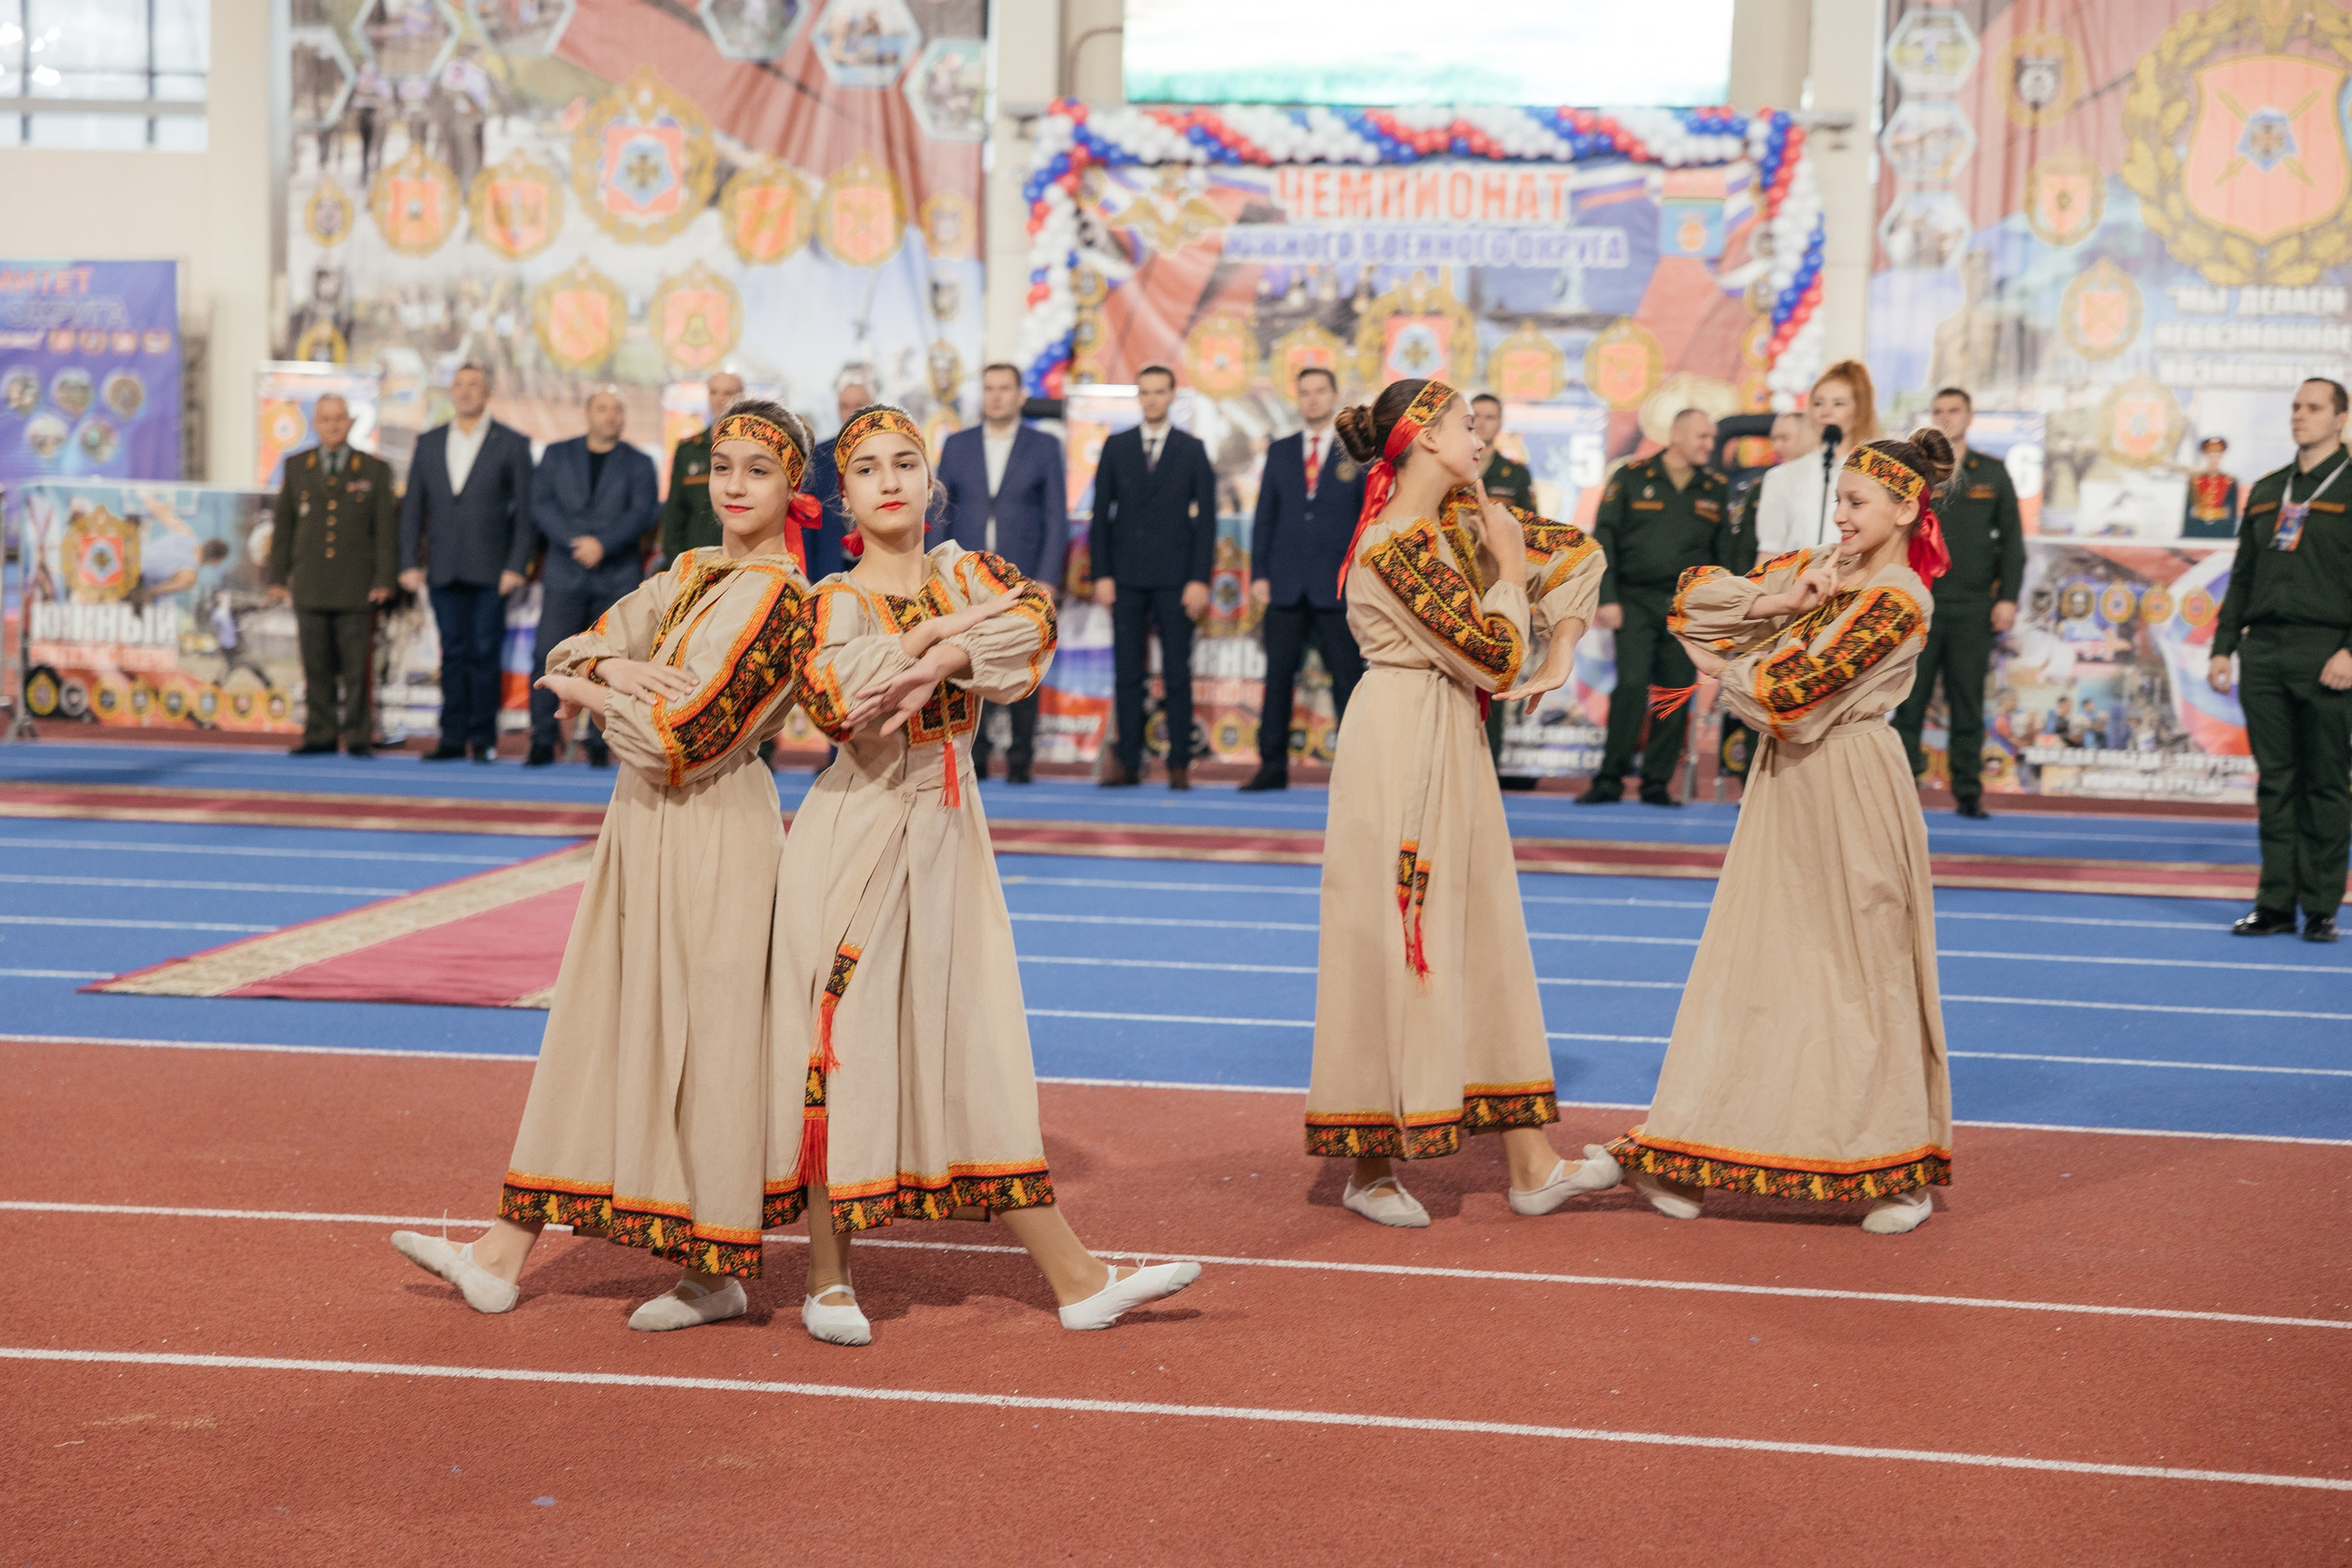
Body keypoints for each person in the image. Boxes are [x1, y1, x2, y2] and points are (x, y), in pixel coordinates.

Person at [389, 400, 818, 1327]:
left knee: (709, 1044)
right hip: (645, 825)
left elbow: (686, 738)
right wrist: (609, 672)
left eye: (758, 469)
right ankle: (503, 1254)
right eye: (724, 465)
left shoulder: (787, 597)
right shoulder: (693, 568)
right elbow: (584, 635)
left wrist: (586, 686)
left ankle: (714, 1269)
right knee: (602, 1025)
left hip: (714, 831)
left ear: (793, 489)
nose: (735, 483)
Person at [777, 404, 1200, 1342]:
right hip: (857, 830)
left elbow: (1034, 624)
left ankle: (1075, 1278)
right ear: (842, 497)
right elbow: (844, 704)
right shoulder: (831, 598)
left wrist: (954, 645)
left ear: (932, 483)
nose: (890, 480)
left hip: (949, 829)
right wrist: (943, 641)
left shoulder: (966, 568)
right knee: (839, 1044)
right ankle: (825, 1277)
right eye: (868, 469)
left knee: (977, 1051)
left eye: (907, 463)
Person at [1596, 428, 1956, 1235]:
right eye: (1840, 500)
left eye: (1858, 503)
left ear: (1906, 508)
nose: (1842, 516)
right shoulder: (1819, 570)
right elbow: (1695, 602)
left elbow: (1795, 697)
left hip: (1852, 783)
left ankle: (1896, 1170)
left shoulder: (1900, 597)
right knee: (1755, 966)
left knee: (1862, 972)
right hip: (1784, 787)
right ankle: (1703, 1144)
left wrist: (1732, 670)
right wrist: (1776, 603)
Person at [1305, 378, 1616, 1226]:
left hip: (1451, 735)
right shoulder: (1393, 545)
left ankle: (1531, 1161)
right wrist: (1511, 570)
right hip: (1401, 741)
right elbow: (1489, 656)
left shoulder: (1455, 525)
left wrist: (1563, 645)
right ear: (1423, 441)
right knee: (1396, 939)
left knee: (1482, 934)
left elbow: (1579, 553)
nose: (1478, 436)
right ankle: (1367, 1164)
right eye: (1461, 425)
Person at [2211, 378, 2352, 944]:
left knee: (2326, 783)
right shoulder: (2270, 489)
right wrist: (2223, 646)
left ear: (2341, 419)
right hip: (2263, 651)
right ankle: (2274, 903)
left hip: (2327, 651)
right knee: (2276, 783)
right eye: (2296, 406)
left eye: (2314, 408)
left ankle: (2320, 906)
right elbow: (2242, 575)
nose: (2301, 416)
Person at [1578, 408, 1731, 807]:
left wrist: (1718, 612)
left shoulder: (1715, 487)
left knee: (1675, 691)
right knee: (1630, 686)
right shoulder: (1631, 476)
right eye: (1702, 436)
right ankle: (1610, 779)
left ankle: (1655, 783)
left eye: (1711, 438)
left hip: (1687, 606)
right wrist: (1606, 597)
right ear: (1676, 435)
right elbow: (1604, 538)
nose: (1708, 445)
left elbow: (1722, 554)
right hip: (1634, 599)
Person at [1893, 386, 2024, 818]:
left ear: (1969, 417)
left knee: (1968, 703)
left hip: (1972, 610)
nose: (1946, 418)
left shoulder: (1992, 472)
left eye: (1954, 411)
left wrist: (2006, 599)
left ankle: (1968, 791)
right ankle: (1899, 788)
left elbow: (2013, 544)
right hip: (1919, 605)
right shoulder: (1912, 476)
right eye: (1938, 411)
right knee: (1908, 701)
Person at [935, 361, 1069, 783]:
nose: (995, 395)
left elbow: (1056, 518)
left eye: (1004, 388)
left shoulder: (1045, 446)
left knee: (1023, 662)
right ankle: (974, 755)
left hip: (1023, 576)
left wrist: (1048, 575)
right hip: (963, 575)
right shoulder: (957, 445)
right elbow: (940, 512)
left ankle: (1021, 760)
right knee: (964, 665)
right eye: (989, 387)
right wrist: (933, 570)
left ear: (1020, 396)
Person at [398, 363, 536, 763]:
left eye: (474, 384)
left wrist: (516, 565)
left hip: (493, 570)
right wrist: (408, 562)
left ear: (487, 392)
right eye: (459, 385)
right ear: (451, 392)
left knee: (484, 654)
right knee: (453, 654)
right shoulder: (429, 441)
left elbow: (525, 515)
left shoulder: (511, 442)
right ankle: (452, 738)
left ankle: (483, 739)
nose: (466, 391)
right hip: (442, 568)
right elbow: (412, 510)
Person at [1090, 364, 1216, 788]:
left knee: (1177, 673)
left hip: (1177, 578)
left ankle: (1179, 762)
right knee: (1128, 673)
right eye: (1145, 392)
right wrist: (1102, 574)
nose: (1152, 399)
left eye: (1160, 391)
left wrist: (1200, 579)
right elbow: (1100, 518)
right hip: (1124, 577)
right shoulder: (1117, 446)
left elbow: (1208, 521)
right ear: (1138, 397)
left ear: (1173, 396)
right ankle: (1128, 761)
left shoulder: (1192, 449)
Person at [1242, 366, 1368, 792]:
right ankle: (1271, 765)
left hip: (1338, 585)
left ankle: (1356, 771)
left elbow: (1367, 520)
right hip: (1286, 583)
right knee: (1278, 680)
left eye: (1320, 391)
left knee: (1348, 681)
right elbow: (1264, 517)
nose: (1312, 399)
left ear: (1334, 395)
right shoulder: (1279, 451)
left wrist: (1361, 577)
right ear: (1297, 399)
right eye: (1305, 392)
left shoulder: (1355, 452)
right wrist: (1259, 573)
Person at [527, 389, 658, 767]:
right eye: (602, 409)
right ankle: (542, 737)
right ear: (588, 414)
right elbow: (541, 505)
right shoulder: (556, 454)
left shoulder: (639, 462)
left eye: (617, 410)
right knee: (547, 654)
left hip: (616, 577)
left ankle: (604, 740)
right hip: (565, 573)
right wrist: (576, 543)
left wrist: (603, 544)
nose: (610, 416)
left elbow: (642, 512)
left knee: (613, 662)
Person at [266, 394, 397, 757]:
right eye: (326, 419)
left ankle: (357, 736)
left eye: (339, 418)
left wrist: (385, 579)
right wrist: (277, 578)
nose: (333, 424)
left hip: (357, 586)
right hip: (310, 584)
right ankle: (319, 734)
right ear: (315, 423)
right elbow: (284, 529)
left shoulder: (373, 469)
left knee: (357, 670)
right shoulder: (296, 466)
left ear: (351, 422)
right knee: (316, 667)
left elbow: (385, 532)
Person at [1751, 360, 1880, 555]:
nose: (1826, 412)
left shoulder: (1875, 474)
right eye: (1818, 403)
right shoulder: (1782, 477)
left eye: (1839, 403)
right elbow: (1769, 552)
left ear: (1859, 411)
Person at [1473, 392, 1534, 769]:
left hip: (1498, 590)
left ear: (1500, 423)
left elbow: (1532, 536)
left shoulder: (1516, 475)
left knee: (1495, 679)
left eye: (1490, 416)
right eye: (1474, 416)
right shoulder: (1450, 471)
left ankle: (1488, 768)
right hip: (1453, 586)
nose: (1482, 422)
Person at [658, 369, 745, 562]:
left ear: (742, 397)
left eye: (728, 393)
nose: (719, 399)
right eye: (714, 392)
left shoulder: (754, 451)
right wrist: (678, 567)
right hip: (694, 563)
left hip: (742, 561)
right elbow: (674, 515)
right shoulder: (688, 450)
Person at [804, 375, 876, 580]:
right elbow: (808, 524)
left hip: (879, 566)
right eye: (845, 406)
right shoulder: (819, 456)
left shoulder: (889, 455)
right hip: (829, 569)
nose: (851, 413)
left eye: (859, 405)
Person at [2184, 435, 2242, 538]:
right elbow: (2188, 511)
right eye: (2210, 454)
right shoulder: (2195, 480)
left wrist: (2230, 536)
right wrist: (2186, 535)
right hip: (2197, 529)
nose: (2214, 458)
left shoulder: (2229, 481)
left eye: (2217, 454)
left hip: (2221, 530)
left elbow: (2232, 513)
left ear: (2222, 456)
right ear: (2205, 455)